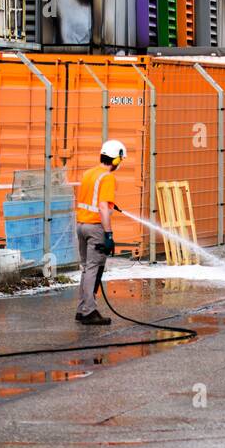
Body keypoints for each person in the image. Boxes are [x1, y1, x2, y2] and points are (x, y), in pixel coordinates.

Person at [74, 139, 126, 325]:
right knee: (94, 269)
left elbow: (94, 200)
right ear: (116, 160)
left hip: (81, 225)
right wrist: (109, 234)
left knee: (87, 268)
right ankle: (89, 311)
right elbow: (103, 207)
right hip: (95, 227)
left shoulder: (89, 173)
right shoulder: (108, 177)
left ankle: (82, 309)